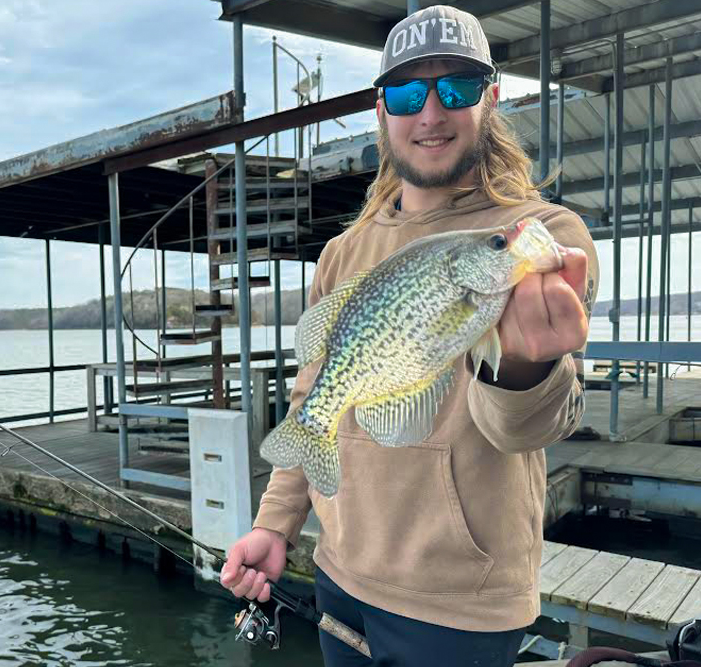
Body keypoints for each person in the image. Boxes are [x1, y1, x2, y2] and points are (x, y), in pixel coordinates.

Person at [219, 5, 600, 666]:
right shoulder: (343, 252)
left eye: (455, 88)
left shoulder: (543, 235)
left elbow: (527, 429)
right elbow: (316, 395)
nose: (430, 113)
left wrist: (520, 368)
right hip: (339, 572)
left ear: (490, 98)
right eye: (406, 91)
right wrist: (274, 524)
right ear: (380, 110)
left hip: (460, 603)